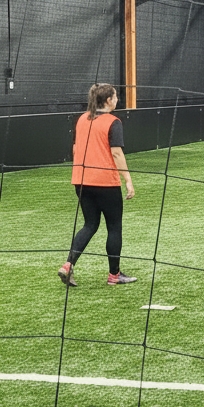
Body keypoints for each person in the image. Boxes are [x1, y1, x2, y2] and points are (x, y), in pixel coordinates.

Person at [58, 83, 137, 287]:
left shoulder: (82, 119)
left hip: (81, 181)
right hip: (106, 183)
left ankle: (68, 265)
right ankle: (114, 275)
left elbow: (76, 149)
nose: (117, 99)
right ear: (108, 100)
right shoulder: (114, 122)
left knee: (90, 224)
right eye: (115, 96)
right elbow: (117, 153)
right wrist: (128, 180)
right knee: (114, 227)